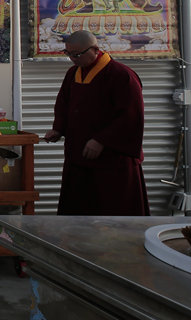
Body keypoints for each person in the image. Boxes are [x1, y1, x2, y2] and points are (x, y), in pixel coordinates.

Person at [43, 30, 149, 215]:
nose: (72, 59)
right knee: (78, 212)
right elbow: (63, 104)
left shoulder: (121, 75)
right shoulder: (73, 73)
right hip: (78, 156)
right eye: (68, 53)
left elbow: (131, 116)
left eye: (77, 54)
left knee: (113, 212)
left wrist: (101, 140)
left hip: (111, 161)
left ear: (95, 50)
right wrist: (58, 129)